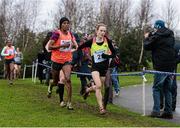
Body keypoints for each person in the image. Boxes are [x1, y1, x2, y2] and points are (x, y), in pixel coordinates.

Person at [78, 23, 116, 114]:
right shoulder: (92, 41)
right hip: (95, 67)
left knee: (99, 87)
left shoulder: (107, 41)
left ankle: (87, 89)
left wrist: (106, 55)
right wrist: (81, 55)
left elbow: (114, 54)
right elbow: (80, 47)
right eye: (101, 30)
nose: (103, 32)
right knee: (98, 85)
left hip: (104, 68)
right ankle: (101, 108)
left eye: (104, 31)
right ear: (97, 31)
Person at [144, 20, 176, 119]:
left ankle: (156, 111)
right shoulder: (171, 36)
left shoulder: (157, 36)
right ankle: (168, 112)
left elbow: (147, 46)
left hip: (160, 66)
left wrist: (146, 37)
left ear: (157, 27)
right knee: (168, 89)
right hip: (171, 66)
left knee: (156, 88)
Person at [48, 17, 78, 110]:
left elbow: (75, 45)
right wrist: (61, 45)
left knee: (68, 79)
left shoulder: (71, 34)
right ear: (60, 24)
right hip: (56, 60)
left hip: (67, 60)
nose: (66, 25)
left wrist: (74, 45)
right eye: (64, 23)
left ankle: (69, 103)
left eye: (68, 23)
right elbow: (49, 47)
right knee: (56, 81)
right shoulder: (56, 34)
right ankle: (50, 85)